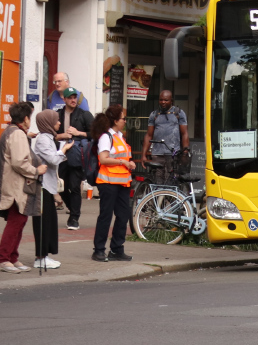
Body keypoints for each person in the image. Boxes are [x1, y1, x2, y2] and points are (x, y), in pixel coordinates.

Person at [0, 102, 47, 273]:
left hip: (14, 184)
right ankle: (3, 259)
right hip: (16, 186)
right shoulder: (18, 134)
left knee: (19, 221)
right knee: (16, 222)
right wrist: (36, 171)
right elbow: (19, 162)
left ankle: (12, 257)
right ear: (25, 119)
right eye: (30, 117)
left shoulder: (12, 132)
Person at [92, 105, 135, 262]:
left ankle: (117, 249)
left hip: (122, 183)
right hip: (108, 182)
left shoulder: (119, 136)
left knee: (123, 215)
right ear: (116, 120)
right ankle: (99, 250)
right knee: (106, 216)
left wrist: (128, 163)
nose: (125, 121)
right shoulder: (106, 137)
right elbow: (103, 159)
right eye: (123, 118)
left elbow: (123, 157)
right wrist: (123, 162)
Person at [31, 109, 67, 270]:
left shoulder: (49, 138)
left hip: (48, 187)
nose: (59, 123)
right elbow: (52, 160)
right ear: (48, 122)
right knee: (43, 223)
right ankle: (40, 256)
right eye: (56, 120)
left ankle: (45, 255)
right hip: (42, 186)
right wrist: (64, 150)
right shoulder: (43, 140)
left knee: (49, 223)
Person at [56, 88, 93, 230]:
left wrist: (79, 133)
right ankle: (73, 208)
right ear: (64, 100)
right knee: (61, 187)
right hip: (61, 155)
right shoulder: (58, 115)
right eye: (70, 97)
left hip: (78, 155)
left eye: (74, 97)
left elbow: (95, 133)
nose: (73, 100)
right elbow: (52, 134)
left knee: (74, 186)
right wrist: (62, 136)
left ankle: (74, 218)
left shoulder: (84, 115)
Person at [140, 90, 189, 177]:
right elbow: (149, 135)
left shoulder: (179, 113)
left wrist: (185, 152)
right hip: (157, 154)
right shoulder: (154, 114)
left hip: (173, 154)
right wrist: (143, 155)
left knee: (170, 180)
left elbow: (184, 133)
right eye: (161, 100)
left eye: (166, 100)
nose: (163, 102)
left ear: (171, 101)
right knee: (157, 180)